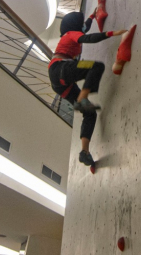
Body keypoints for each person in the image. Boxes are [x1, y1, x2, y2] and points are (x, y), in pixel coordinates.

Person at [48, 11, 126, 167]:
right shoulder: (71, 34)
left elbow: (85, 27)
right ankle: (82, 98)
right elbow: (87, 38)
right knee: (95, 67)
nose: (83, 26)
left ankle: (84, 152)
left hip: (61, 83)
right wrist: (112, 33)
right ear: (74, 25)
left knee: (89, 113)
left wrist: (93, 15)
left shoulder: (72, 32)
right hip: (60, 68)